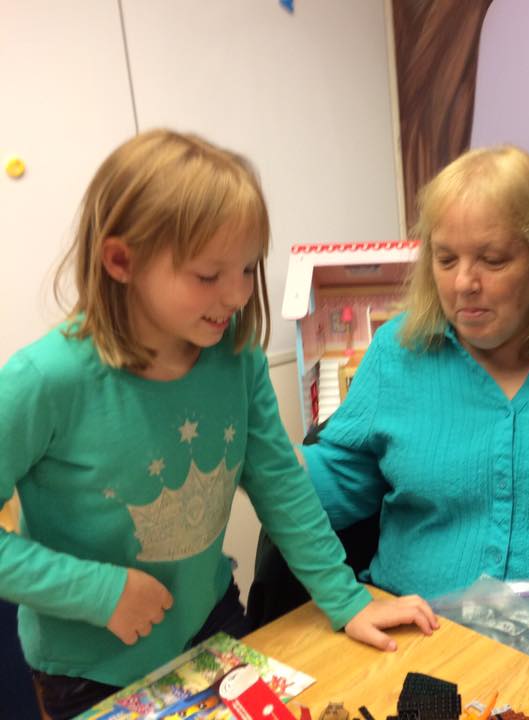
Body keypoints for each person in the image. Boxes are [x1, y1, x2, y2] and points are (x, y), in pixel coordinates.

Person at [0, 129, 437, 720]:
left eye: (248, 268)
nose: (236, 295)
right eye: (208, 276)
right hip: (86, 671)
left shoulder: (235, 355)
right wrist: (100, 593)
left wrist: (346, 599)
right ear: (121, 261)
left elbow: (280, 483)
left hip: (212, 624)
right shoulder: (42, 380)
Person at [300, 144, 529, 674]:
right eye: (445, 259)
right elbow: (332, 488)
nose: (464, 283)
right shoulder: (398, 353)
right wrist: (246, 452)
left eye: (492, 260)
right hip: (414, 629)